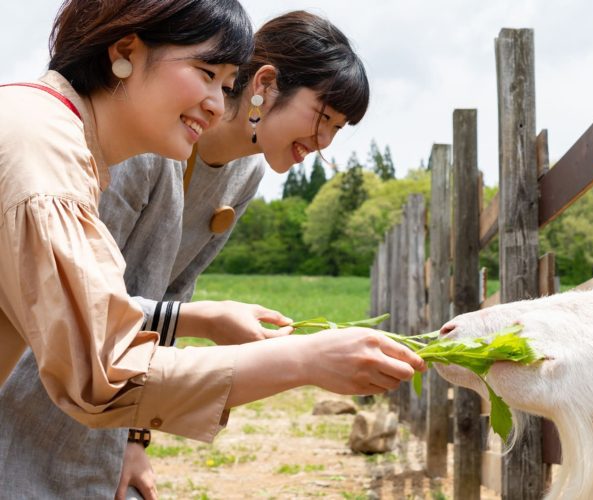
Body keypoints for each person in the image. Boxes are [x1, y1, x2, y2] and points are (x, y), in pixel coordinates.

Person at [0, 5, 424, 498]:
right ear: (125, 52)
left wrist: (134, 438)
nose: (218, 105)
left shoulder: (69, 135)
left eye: (225, 85)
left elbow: (146, 312)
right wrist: (303, 359)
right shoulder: (58, 158)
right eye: (206, 74)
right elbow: (97, 359)